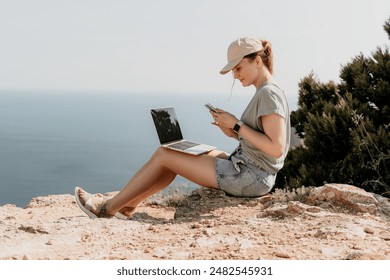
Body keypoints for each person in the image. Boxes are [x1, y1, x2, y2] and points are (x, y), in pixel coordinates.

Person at [74, 37, 291, 219]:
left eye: (238, 68)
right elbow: (264, 142)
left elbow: (276, 148)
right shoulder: (268, 91)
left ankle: (107, 209)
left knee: (164, 154)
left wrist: (237, 124)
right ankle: (128, 206)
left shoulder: (268, 93)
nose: (236, 75)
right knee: (175, 153)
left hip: (250, 176)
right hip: (249, 169)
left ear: (257, 61)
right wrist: (233, 133)